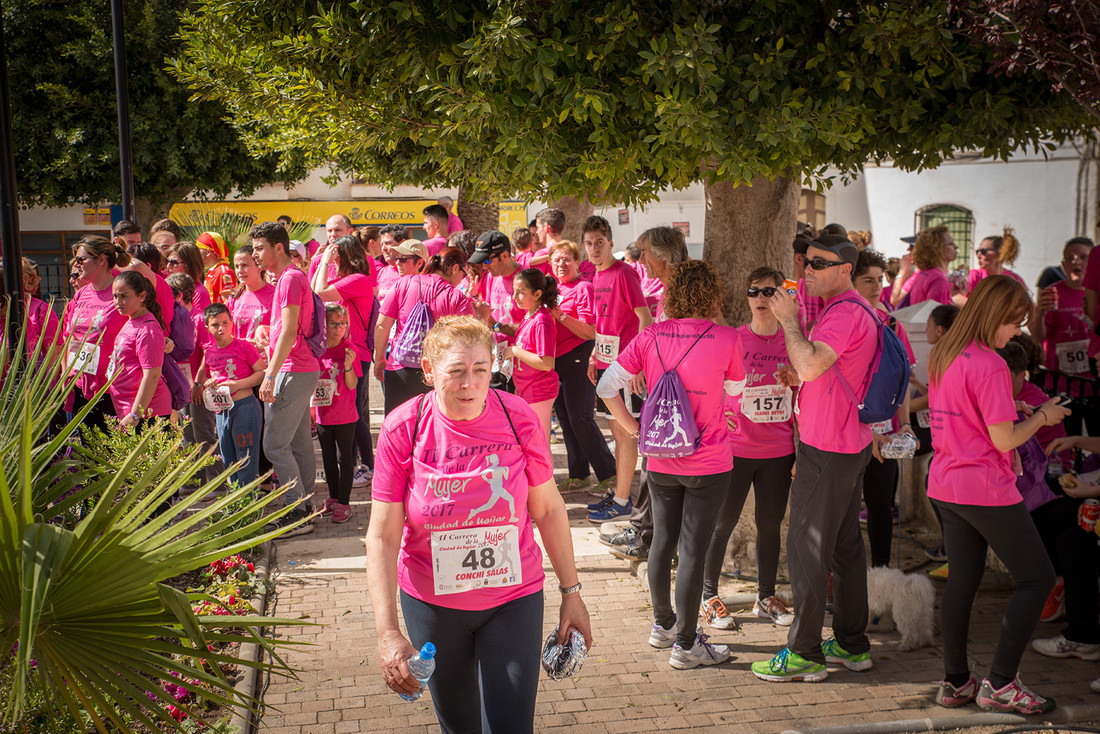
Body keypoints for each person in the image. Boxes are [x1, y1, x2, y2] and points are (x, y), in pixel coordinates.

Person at [366, 315, 592, 732]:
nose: (468, 384)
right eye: (455, 371)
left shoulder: (517, 416)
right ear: (429, 371)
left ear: (494, 368)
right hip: (434, 605)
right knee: (460, 727)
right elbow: (381, 536)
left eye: (480, 370)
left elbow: (547, 508)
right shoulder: (405, 426)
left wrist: (571, 592)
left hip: (513, 599)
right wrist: (387, 633)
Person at [926, 275, 1069, 715]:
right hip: (983, 487)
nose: (1017, 332)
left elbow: (971, 413)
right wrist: (1043, 414)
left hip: (946, 482)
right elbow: (1005, 440)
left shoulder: (946, 351)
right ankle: (1001, 683)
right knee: (1038, 578)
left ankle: (955, 683)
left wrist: (1016, 408)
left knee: (963, 583)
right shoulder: (988, 362)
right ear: (994, 316)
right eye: (1014, 323)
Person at [597, 260, 745, 669]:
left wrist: (629, 429)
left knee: (662, 540)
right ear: (713, 295)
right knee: (693, 551)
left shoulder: (651, 336)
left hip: (660, 458)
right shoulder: (728, 338)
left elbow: (606, 385)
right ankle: (686, 644)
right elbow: (736, 392)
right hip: (710, 459)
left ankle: (663, 627)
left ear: (673, 294)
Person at [752, 233, 878, 683]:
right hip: (846, 442)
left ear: (845, 269)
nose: (809, 269)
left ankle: (804, 651)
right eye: (808, 261)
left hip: (829, 446)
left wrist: (788, 322)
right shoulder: (852, 308)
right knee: (845, 547)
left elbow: (809, 364)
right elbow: (820, 370)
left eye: (821, 263)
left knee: (805, 546)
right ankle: (850, 642)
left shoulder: (844, 312)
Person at [700, 266, 796, 631]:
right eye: (754, 292)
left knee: (769, 526)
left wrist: (797, 378)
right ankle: (709, 596)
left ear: (781, 297)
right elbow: (714, 384)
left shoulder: (793, 341)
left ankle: (766, 597)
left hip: (778, 449)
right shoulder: (733, 338)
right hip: (736, 448)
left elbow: (808, 394)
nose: (760, 298)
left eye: (769, 292)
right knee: (721, 522)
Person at [252, 221, 321, 536]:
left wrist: (270, 374)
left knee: (274, 445)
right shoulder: (288, 277)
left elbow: (290, 331)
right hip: (298, 368)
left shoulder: (291, 279)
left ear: (278, 248)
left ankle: (296, 510)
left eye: (258, 248)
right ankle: (305, 507)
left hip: (292, 369)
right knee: (297, 443)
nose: (254, 254)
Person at [585, 215, 652, 523]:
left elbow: (644, 318)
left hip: (626, 366)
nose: (594, 248)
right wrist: (594, 356)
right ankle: (621, 493)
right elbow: (604, 323)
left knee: (627, 434)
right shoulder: (596, 276)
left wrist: (638, 362)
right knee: (616, 430)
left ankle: (624, 501)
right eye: (589, 243)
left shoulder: (624, 273)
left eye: (600, 242)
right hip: (606, 363)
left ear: (610, 243)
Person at [853, 249, 917, 568]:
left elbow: (902, 381)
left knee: (880, 505)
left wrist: (904, 423)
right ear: (851, 281)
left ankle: (881, 572)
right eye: (868, 280)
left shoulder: (893, 323)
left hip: (886, 432)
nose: (877, 286)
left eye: (880, 279)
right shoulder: (842, 320)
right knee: (846, 507)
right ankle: (841, 574)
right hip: (848, 432)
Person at [548, 240, 616, 494]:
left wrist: (561, 316)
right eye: (557, 260)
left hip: (579, 355)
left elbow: (590, 331)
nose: (562, 264)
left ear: (578, 262)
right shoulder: (553, 288)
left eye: (567, 259)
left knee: (581, 418)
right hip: (556, 360)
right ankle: (579, 475)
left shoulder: (583, 288)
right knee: (566, 419)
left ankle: (610, 475)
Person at [374, 246, 473, 414]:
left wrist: (379, 359)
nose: (462, 279)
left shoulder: (404, 283)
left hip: (399, 368)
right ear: (455, 268)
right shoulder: (456, 297)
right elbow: (468, 339)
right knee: (429, 427)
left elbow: (382, 324)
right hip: (435, 373)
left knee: (397, 426)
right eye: (463, 274)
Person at [312, 233, 378, 487]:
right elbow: (315, 293)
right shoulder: (345, 280)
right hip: (339, 352)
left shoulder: (358, 280)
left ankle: (368, 466)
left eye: (335, 253)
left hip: (355, 354)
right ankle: (348, 465)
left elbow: (319, 292)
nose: (331, 258)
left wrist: (325, 261)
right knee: (346, 410)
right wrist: (323, 263)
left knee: (354, 413)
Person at [64, 236, 133, 430]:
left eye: (81, 260)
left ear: (102, 260)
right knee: (85, 455)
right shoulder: (81, 294)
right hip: (80, 386)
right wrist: (66, 375)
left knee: (112, 455)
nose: (77, 266)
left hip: (112, 389)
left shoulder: (121, 293)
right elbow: (70, 338)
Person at [196, 303, 265, 487]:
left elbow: (262, 372)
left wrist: (238, 385)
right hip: (222, 411)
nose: (221, 328)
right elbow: (211, 378)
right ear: (207, 327)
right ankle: (235, 503)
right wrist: (209, 384)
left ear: (232, 322)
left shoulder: (243, 346)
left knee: (247, 458)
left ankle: (248, 503)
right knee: (228, 459)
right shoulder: (209, 352)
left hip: (245, 408)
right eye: (215, 324)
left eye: (225, 323)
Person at [1033, 238, 1096, 431]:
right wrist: (1041, 314)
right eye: (1071, 258)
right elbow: (1038, 336)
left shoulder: (1097, 293)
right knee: (1066, 442)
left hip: (1093, 383)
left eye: (1083, 257)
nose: (1076, 261)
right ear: (1063, 265)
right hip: (1061, 382)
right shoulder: (1053, 293)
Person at [314, 303, 361, 524]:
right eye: (333, 324)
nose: (338, 329)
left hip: (345, 416)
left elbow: (352, 386)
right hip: (323, 414)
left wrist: (349, 367)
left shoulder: (350, 350)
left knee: (345, 459)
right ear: (324, 324)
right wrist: (310, 411)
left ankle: (344, 502)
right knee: (328, 459)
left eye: (342, 324)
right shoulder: (317, 349)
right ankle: (332, 497)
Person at [107, 271, 172, 430]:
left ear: (142, 296)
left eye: (124, 296)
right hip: (130, 409)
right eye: (115, 296)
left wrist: (135, 414)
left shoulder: (148, 327)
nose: (118, 301)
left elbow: (152, 375)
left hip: (147, 413)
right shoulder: (132, 321)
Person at [502, 268, 558, 447]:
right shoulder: (529, 316)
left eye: (521, 292)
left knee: (540, 445)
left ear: (537, 294)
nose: (515, 297)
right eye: (514, 292)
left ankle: (547, 476)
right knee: (531, 443)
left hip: (539, 391)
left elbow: (547, 363)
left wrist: (515, 351)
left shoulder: (542, 320)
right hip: (526, 389)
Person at [227, 244, 275, 351]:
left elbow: (285, 329)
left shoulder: (275, 294)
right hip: (240, 362)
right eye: (236, 266)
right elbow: (228, 333)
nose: (240, 270)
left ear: (258, 266)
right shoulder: (234, 298)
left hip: (267, 362)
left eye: (245, 265)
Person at [904, 226, 955, 306]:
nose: (955, 247)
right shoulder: (938, 279)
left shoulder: (924, 273)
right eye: (951, 244)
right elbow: (935, 316)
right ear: (938, 248)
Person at [967, 229, 1028, 293]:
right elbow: (957, 297)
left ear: (999, 253)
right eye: (977, 252)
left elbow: (1025, 301)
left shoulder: (1014, 279)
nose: (978, 256)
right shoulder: (975, 276)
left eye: (983, 251)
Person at [167, 243, 213, 315]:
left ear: (189, 265)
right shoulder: (166, 286)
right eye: (167, 262)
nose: (168, 266)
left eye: (174, 263)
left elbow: (199, 323)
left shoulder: (200, 293)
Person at [196, 231, 238, 304]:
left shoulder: (223, 272)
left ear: (208, 252)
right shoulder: (213, 269)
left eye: (198, 250)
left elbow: (229, 303)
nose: (196, 254)